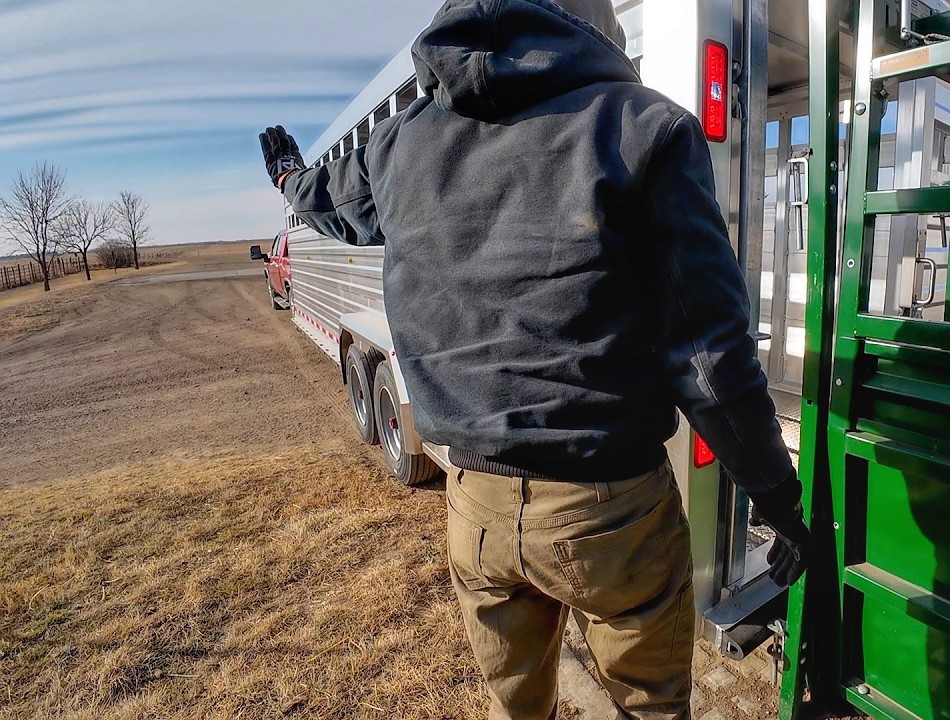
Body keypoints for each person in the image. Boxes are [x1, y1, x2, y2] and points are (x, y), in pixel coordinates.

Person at [258, 1, 808, 717]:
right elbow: (708, 357)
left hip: (475, 505)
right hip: (610, 511)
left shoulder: (400, 148)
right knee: (650, 708)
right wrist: (777, 499)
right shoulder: (642, 126)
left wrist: (288, 178)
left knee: (514, 708)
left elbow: (329, 200)